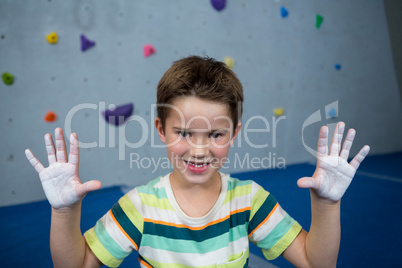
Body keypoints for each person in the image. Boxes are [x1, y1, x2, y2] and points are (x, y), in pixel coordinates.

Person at [25, 56, 370, 268]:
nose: (200, 150)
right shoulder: (141, 206)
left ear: (234, 133)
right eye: (185, 133)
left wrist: (327, 204)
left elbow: (316, 262)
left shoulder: (249, 201)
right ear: (161, 129)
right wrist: (64, 213)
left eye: (216, 135)